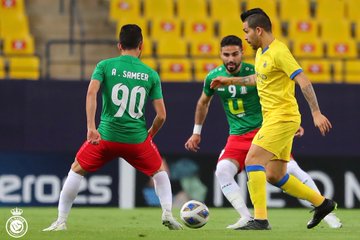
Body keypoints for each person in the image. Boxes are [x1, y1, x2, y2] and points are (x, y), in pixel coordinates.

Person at [185, 35, 341, 229]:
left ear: (242, 52)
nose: (231, 58)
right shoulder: (222, 72)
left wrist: (298, 119)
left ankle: (263, 220)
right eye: (226, 54)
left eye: (235, 53)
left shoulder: (272, 55)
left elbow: (291, 83)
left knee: (282, 167)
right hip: (239, 134)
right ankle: (320, 205)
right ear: (220, 54)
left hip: (268, 126)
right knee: (265, 174)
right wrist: (196, 131)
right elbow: (203, 102)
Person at [43, 24, 182, 231]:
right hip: (136, 140)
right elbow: (161, 115)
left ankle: (61, 221)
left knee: (76, 169)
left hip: (105, 137)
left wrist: (91, 126)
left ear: (119, 45)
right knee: (159, 172)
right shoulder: (151, 74)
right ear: (141, 45)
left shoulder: (105, 66)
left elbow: (91, 93)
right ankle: (168, 213)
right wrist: (150, 135)